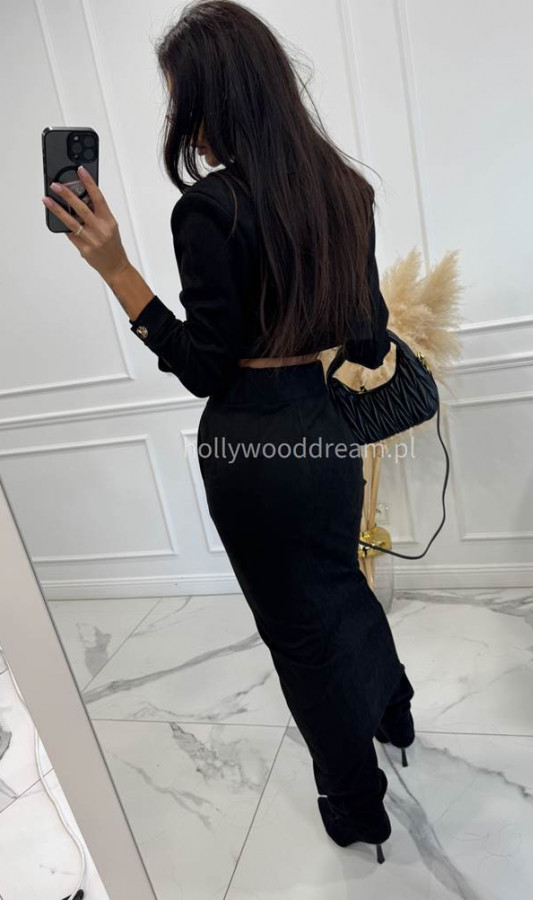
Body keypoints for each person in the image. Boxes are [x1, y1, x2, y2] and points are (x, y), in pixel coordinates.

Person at [42, 0, 415, 865]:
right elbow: (368, 338)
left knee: (298, 635)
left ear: (214, 99)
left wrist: (116, 270)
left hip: (251, 447)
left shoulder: (209, 210)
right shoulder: (347, 189)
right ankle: (395, 714)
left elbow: (206, 368)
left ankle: (357, 806)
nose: (186, 121)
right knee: (344, 589)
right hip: (325, 433)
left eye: (184, 99)